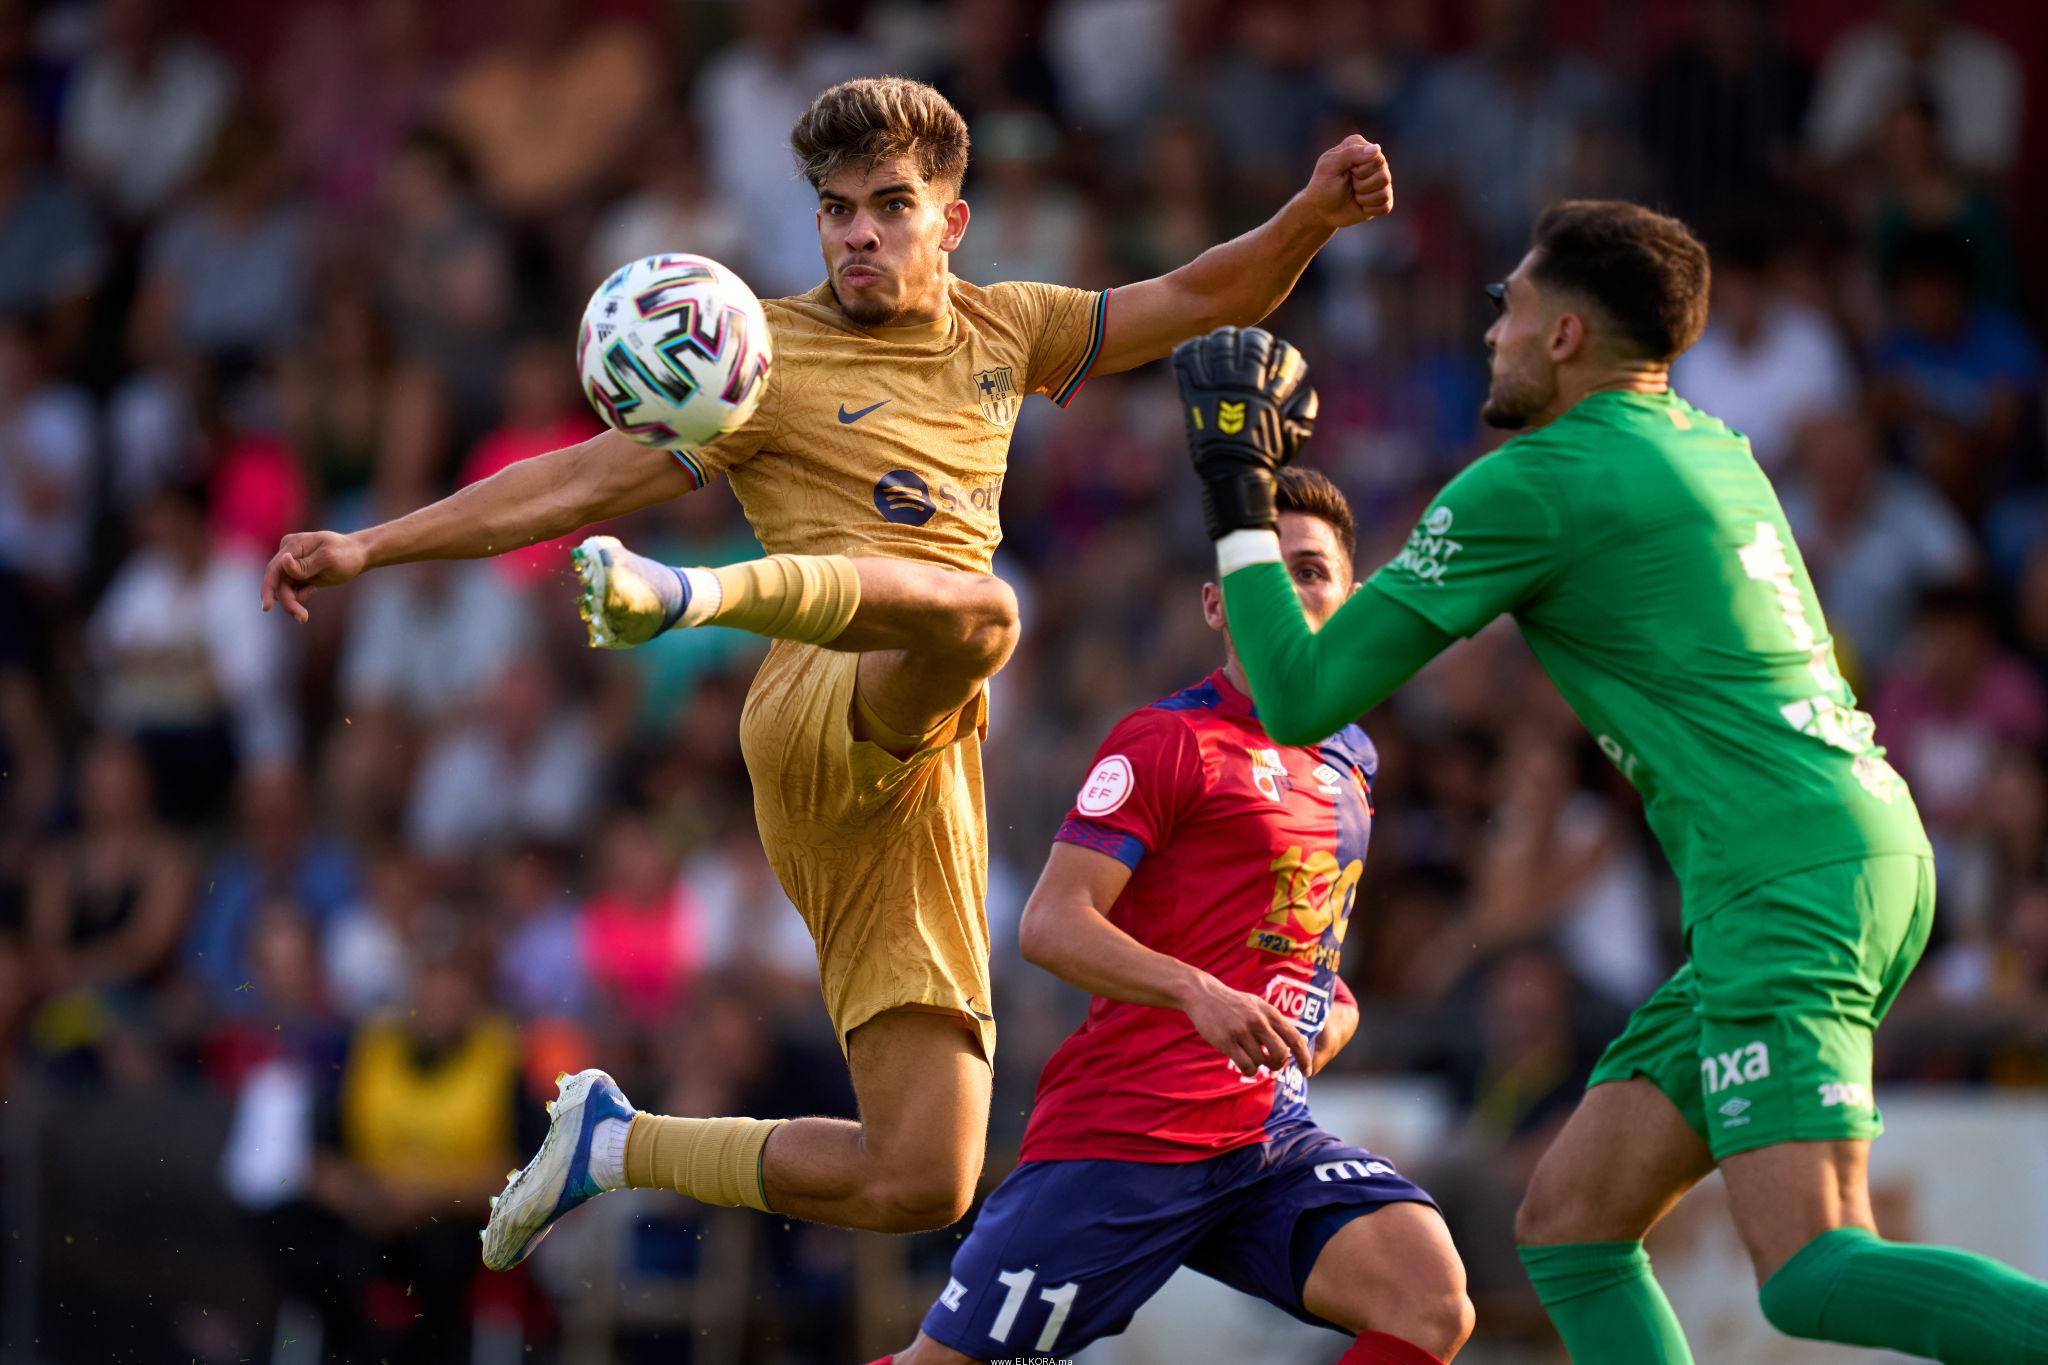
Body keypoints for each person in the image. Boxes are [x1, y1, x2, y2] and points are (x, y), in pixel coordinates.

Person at [257, 76, 1395, 1269]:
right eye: (837, 208)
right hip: (816, 695)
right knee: (985, 612)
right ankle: (684, 596)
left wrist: (1308, 217)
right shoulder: (760, 358)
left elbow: (1203, 294)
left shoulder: (1007, 330)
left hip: (926, 759)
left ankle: (613, 1144)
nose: (858, 231)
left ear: (949, 224)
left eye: (889, 206)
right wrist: (371, 544)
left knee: (922, 1174)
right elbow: (572, 482)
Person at [1170, 201, 2048, 1362]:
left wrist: (1237, 479)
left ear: (1565, 335)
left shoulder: (1534, 481)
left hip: (1785, 880)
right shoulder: (1704, 442)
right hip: (1847, 849)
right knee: (1570, 1222)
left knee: (1810, 1269)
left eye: (1506, 307)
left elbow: (1293, 696)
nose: (1490, 332)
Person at [882, 469, 1470, 1365]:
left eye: (1311, 571)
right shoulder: (1166, 740)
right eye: (1263, 573)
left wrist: (1332, 1007)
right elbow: (1050, 922)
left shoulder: (1353, 757)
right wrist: (1198, 994)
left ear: (1349, 599)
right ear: (1217, 603)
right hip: (1126, 1134)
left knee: (1429, 1299)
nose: (1290, 590)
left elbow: (1293, 942)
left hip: (1264, 1137)